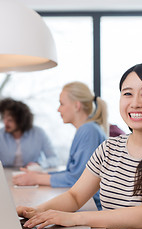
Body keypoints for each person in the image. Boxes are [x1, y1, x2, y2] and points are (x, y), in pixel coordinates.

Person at [16, 63, 142, 229]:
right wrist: (37, 212)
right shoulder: (109, 148)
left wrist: (72, 219)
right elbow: (75, 196)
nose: (135, 103)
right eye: (127, 94)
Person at [13, 81, 108, 209]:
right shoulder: (87, 129)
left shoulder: (88, 131)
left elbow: (78, 179)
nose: (58, 109)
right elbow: (73, 172)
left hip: (93, 207)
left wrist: (35, 179)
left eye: (62, 104)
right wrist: (40, 176)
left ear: (76, 106)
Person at [0, 97, 58, 168]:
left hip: (31, 176)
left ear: (21, 120)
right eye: (4, 118)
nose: (5, 122)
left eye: (10, 120)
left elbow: (54, 159)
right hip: (5, 177)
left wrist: (39, 164)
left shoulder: (39, 133)